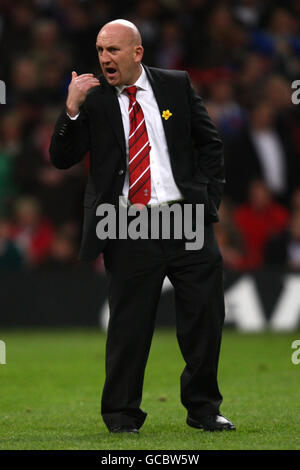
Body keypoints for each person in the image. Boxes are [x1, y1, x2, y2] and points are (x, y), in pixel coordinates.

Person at [49, 19, 235, 434]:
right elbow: (61, 158)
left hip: (185, 219)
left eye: (113, 50)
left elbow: (210, 144)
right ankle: (121, 416)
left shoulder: (175, 85)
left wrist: (207, 202)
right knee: (130, 327)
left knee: (205, 319)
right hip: (128, 222)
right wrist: (71, 109)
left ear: (137, 52)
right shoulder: (93, 99)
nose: (104, 58)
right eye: (99, 50)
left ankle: (204, 410)